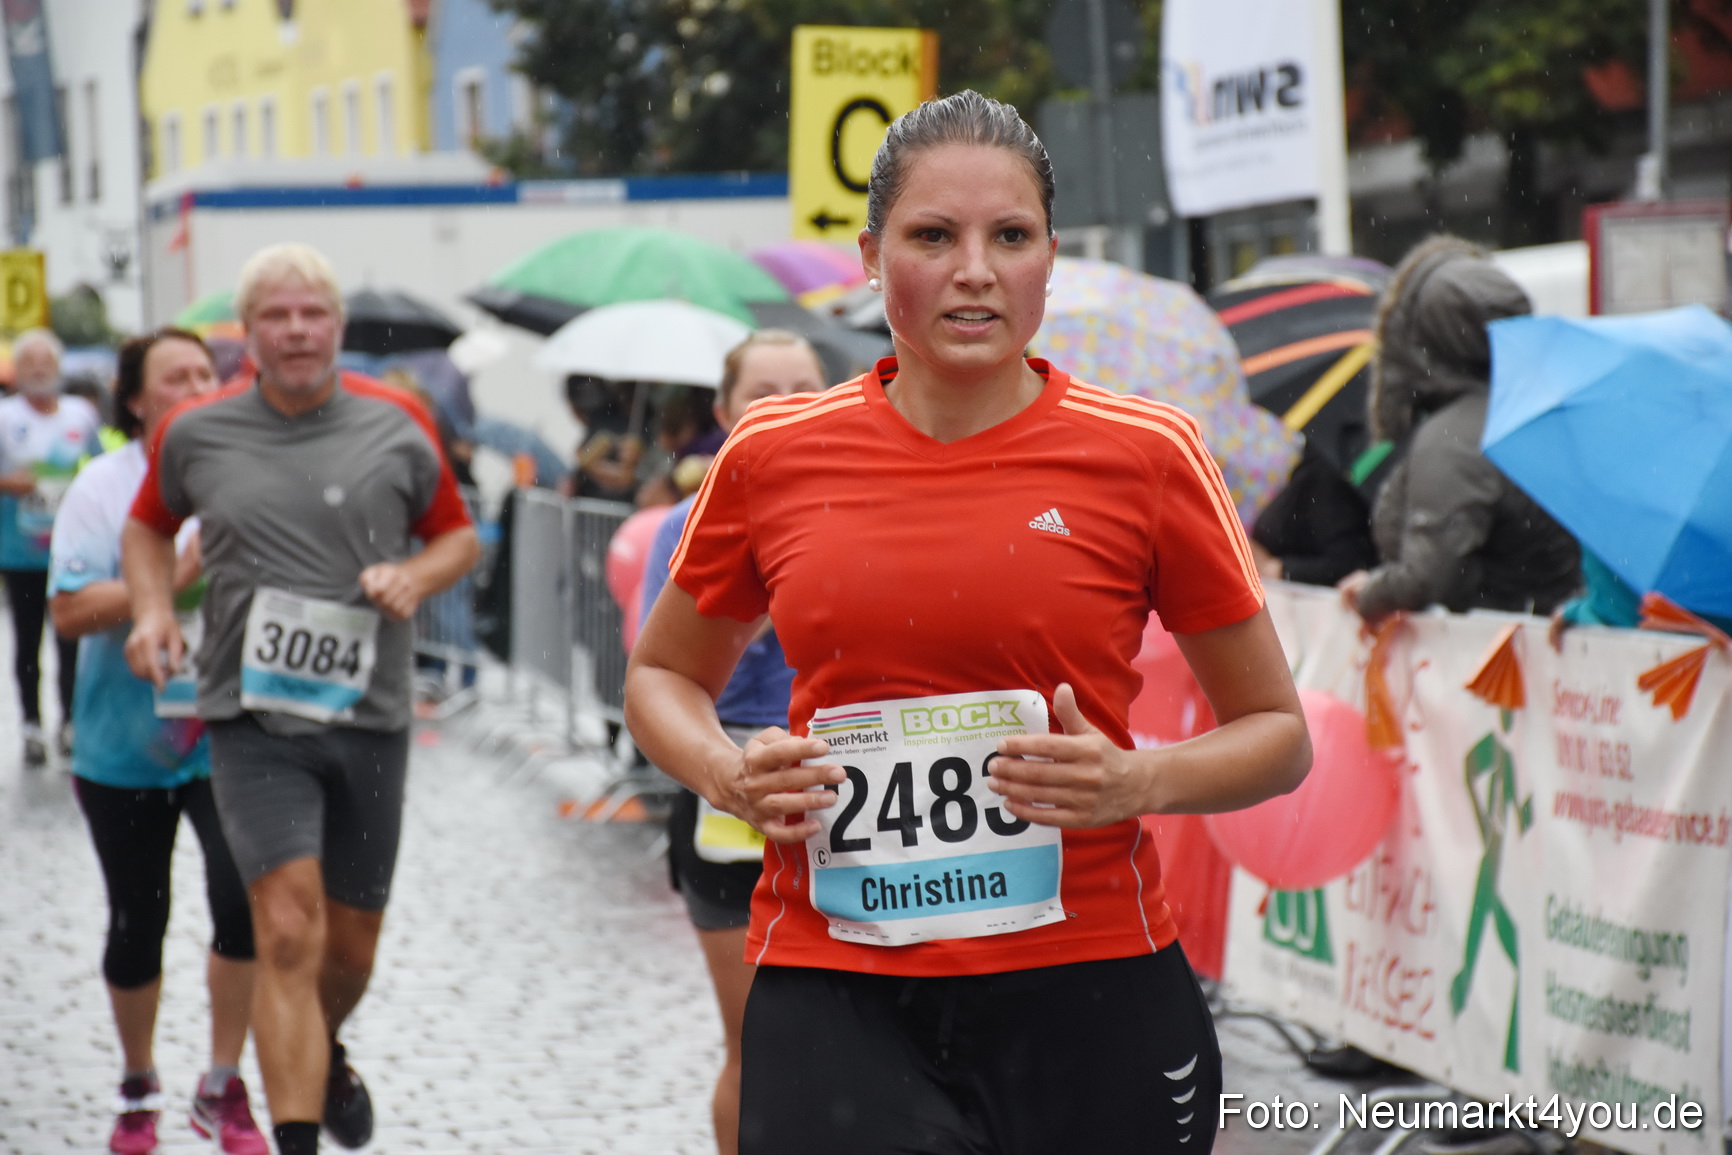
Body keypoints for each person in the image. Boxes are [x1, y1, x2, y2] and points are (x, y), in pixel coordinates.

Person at [624, 91, 1310, 1155]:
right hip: (838, 982)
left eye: (1011, 236)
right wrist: (723, 772)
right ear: (869, 254)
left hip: (1087, 982)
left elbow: (1275, 732)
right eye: (933, 236)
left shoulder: (1148, 454)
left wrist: (1141, 780)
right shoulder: (772, 454)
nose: (975, 269)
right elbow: (662, 677)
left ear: (1048, 257)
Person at [122, 243, 480, 1155]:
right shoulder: (195, 430)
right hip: (253, 718)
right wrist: (155, 609)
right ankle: (294, 1137)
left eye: (311, 314)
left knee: (348, 945)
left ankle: (326, 1046)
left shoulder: (399, 420)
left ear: (337, 326)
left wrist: (412, 573)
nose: (294, 330)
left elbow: (457, 538)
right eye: (275, 316)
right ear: (245, 333)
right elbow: (147, 526)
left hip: (370, 717)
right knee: (285, 926)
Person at [51, 329, 268, 1155]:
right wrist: (167, 581)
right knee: (138, 919)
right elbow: (67, 612)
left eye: (206, 374)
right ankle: (138, 1081)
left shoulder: (243, 469)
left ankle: (223, 1082)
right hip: (123, 742)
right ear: (135, 398)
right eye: (174, 376)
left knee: (240, 906)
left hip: (232, 734)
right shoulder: (102, 488)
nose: (196, 385)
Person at [637, 330, 828, 1155]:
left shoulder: (861, 507)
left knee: (858, 1051)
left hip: (852, 803)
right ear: (724, 412)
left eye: (804, 386)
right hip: (732, 798)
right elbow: (659, 674)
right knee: (759, 1045)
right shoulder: (689, 523)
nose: (784, 404)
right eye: (762, 391)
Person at [1338, 237, 1579, 625]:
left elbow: (1427, 574)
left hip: (1490, 662)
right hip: (1539, 650)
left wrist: (1371, 594)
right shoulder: (1547, 409)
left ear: (1419, 337)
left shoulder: (1455, 437)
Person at [0, 327, 104, 764]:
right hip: (20, 549)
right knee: (28, 639)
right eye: (31, 363)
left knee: (71, 638)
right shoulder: (5, 417)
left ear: (60, 369)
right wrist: (10, 484)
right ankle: (30, 724)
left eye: (47, 362)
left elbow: (101, 467)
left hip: (72, 549)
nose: (40, 370)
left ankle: (70, 721)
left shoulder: (81, 414)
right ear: (19, 371)